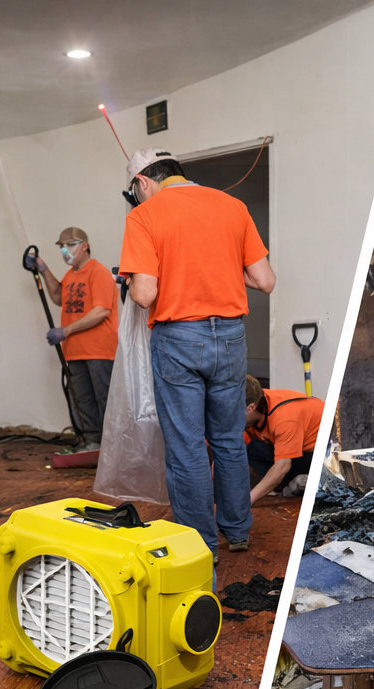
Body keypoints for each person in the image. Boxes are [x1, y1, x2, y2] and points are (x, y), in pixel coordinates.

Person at [118, 148, 275, 558]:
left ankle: (198, 541)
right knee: (228, 439)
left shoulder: (143, 216)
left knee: (187, 445)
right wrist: (218, 265)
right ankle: (238, 531)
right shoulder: (233, 206)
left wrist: (135, 280)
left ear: (143, 182)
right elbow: (265, 279)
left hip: (179, 338)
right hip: (230, 338)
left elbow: (145, 293)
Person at [34, 227, 118, 451]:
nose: (65, 251)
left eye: (70, 245)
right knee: (82, 400)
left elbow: (101, 311)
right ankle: (93, 443)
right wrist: (43, 269)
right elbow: (58, 296)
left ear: (84, 246)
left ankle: (114, 447)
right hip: (75, 351)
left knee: (105, 399)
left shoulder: (97, 272)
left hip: (99, 350)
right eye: (62, 247)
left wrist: (66, 330)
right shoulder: (70, 276)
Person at [243, 376, 323, 504]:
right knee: (252, 449)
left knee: (277, 463)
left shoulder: (285, 418)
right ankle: (276, 484)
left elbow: (283, 465)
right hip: (296, 450)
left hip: (321, 456)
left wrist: (247, 501)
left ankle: (307, 480)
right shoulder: (254, 397)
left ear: (250, 408)